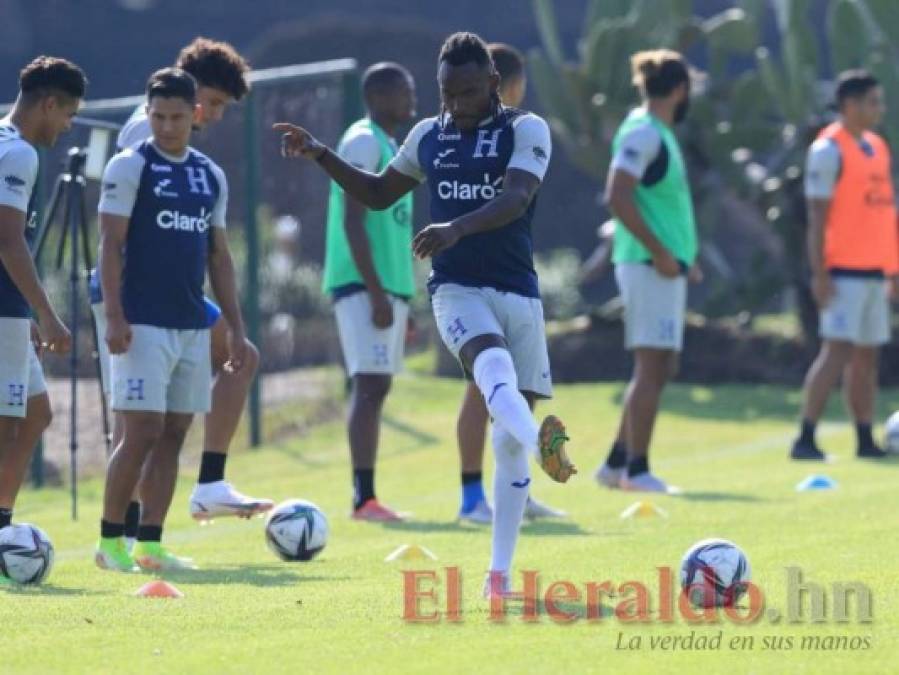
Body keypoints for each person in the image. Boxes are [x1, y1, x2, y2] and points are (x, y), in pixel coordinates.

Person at [275, 31, 576, 598]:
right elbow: (377, 193)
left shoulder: (524, 129)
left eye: (466, 93)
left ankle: (499, 577)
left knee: (505, 444)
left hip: (519, 292)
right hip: (457, 289)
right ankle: (542, 440)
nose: (455, 105)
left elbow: (517, 198)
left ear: (491, 84)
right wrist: (321, 154)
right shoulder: (427, 135)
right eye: (446, 93)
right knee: (494, 376)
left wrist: (456, 227)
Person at [90, 38, 268, 550]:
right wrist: (115, 309)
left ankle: (163, 521)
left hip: (176, 295)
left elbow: (215, 248)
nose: (208, 115)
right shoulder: (145, 133)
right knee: (138, 426)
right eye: (209, 102)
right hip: (133, 293)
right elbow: (115, 231)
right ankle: (121, 535)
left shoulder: (199, 163)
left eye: (214, 109)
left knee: (179, 409)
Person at [454, 42, 565, 524]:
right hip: (473, 283)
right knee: (484, 389)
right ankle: (472, 497)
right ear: (509, 84)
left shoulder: (522, 134)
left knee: (520, 393)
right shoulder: (472, 134)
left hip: (516, 278)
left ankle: (512, 492)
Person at [594, 50, 699, 494]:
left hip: (662, 265)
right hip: (646, 263)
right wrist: (659, 253)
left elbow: (663, 206)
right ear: (678, 90)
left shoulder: (658, 132)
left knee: (660, 365)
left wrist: (681, 259)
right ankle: (636, 470)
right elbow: (618, 195)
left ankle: (617, 462)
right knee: (651, 365)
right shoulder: (643, 132)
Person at [0, 57, 85, 585]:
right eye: (69, 114)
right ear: (48, 103)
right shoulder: (21, 152)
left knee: (36, 415)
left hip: (11, 309)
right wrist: (48, 316)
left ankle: (3, 526)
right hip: (3, 310)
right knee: (7, 424)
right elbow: (7, 238)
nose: (68, 125)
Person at [322, 62, 417, 521]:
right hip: (363, 284)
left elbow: (392, 228)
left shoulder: (390, 144)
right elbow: (352, 219)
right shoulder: (361, 139)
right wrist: (377, 292)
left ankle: (367, 495)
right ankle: (364, 498)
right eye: (402, 91)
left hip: (387, 287)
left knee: (378, 386)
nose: (410, 99)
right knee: (368, 385)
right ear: (377, 96)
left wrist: (402, 297)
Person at [791, 70, 898, 461]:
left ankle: (864, 437)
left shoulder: (876, 146)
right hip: (842, 272)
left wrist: (894, 268)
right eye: (873, 102)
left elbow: (885, 212)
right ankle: (805, 436)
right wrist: (819, 273)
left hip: (874, 271)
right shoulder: (826, 150)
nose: (879, 109)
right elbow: (817, 217)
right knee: (835, 352)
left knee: (867, 358)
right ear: (850, 105)